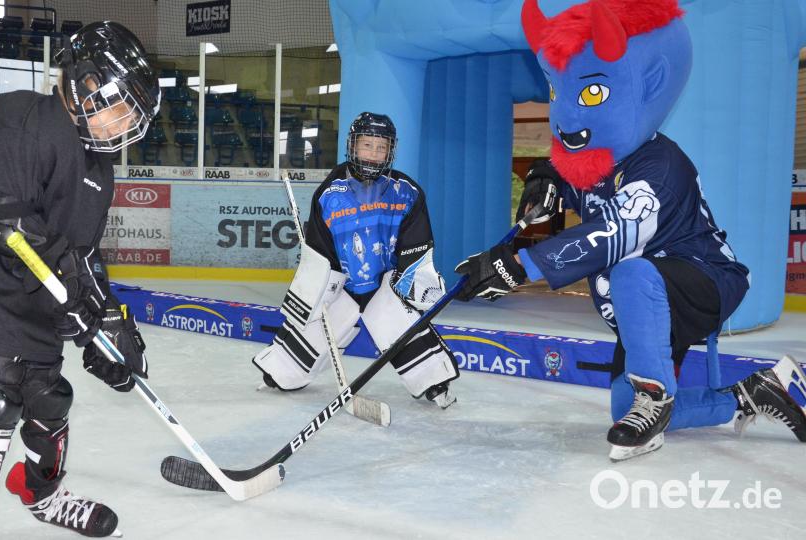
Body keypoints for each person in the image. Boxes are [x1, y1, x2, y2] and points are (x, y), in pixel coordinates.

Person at [455, 0, 806, 460]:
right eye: (560, 96)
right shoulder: (596, 165)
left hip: (703, 279)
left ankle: (655, 395)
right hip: (642, 307)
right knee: (623, 408)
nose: (568, 119)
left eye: (592, 95)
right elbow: (580, 187)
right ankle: (753, 393)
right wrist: (547, 175)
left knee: (633, 271)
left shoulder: (660, 163)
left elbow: (616, 232)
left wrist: (517, 266)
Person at [0, 21, 159, 538]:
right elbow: (15, 230)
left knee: (49, 398)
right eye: (120, 105)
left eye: (132, 112)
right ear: (87, 84)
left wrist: (109, 321)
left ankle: (42, 495)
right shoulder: (21, 115)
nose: (124, 121)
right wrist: (73, 310)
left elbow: (82, 254)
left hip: (32, 294)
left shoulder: (99, 166)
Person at [253, 112, 459, 408]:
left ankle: (434, 384)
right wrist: (318, 292)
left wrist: (415, 287)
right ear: (352, 146)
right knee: (301, 348)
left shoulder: (407, 192)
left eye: (381, 147)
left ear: (391, 150)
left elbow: (415, 248)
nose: (373, 154)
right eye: (367, 145)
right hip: (344, 285)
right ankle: (280, 373)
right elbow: (321, 254)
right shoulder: (329, 193)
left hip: (387, 284)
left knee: (401, 326)